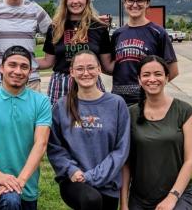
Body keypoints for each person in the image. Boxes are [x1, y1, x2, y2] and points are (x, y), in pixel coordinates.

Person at [47, 50, 130, 210]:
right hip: (74, 180)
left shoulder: (116, 104)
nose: (86, 73)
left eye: (91, 67)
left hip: (108, 182)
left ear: (99, 69)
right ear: (71, 72)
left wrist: (91, 176)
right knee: (91, 200)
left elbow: (121, 149)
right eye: (80, 68)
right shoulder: (61, 106)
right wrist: (72, 170)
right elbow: (55, 148)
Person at [0, 45, 52, 210]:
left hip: (27, 184)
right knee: (10, 200)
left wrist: (20, 182)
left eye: (24, 67)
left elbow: (41, 144)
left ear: (30, 72)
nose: (18, 71)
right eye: (12, 65)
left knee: (15, 198)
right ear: (1, 68)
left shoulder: (41, 102)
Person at [120, 55, 192, 210]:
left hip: (178, 194)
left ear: (167, 77)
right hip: (140, 198)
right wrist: (123, 203)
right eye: (146, 75)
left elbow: (191, 161)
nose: (152, 79)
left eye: (158, 74)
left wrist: (172, 197)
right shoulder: (130, 114)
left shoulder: (185, 111)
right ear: (139, 80)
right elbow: (126, 163)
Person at [37, 0, 114, 105]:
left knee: (94, 122)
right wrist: (23, 61)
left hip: (91, 82)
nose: (75, 1)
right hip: (61, 84)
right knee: (60, 123)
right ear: (65, 1)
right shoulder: (55, 28)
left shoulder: (99, 27)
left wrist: (133, 62)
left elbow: (107, 65)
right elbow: (48, 62)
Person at [111, 0, 179, 105]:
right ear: (124, 3)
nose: (135, 5)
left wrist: (152, 87)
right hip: (119, 100)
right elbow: (111, 66)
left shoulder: (158, 33)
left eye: (140, 1)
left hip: (146, 100)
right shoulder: (117, 34)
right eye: (130, 0)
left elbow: (173, 70)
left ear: (147, 3)